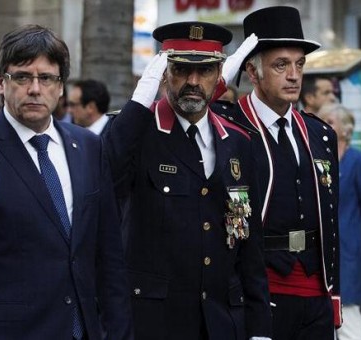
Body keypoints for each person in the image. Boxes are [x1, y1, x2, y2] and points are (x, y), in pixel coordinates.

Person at [0, 24, 132, 339]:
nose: (35, 88)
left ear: (61, 87)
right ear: (1, 83)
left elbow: (108, 255)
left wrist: (117, 331)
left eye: (47, 78)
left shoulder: (88, 147)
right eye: (22, 77)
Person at [105, 21, 272, 339]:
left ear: (219, 73)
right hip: (155, 323)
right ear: (164, 72)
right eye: (181, 70)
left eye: (206, 70)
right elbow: (106, 175)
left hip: (222, 322)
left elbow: (249, 245)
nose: (193, 82)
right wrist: (140, 102)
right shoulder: (138, 133)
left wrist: (260, 329)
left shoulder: (237, 141)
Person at [213, 6, 341, 340]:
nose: (294, 75)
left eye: (299, 64)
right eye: (281, 65)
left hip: (315, 294)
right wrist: (225, 73)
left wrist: (334, 297)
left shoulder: (319, 133)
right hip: (258, 292)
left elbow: (330, 219)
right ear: (252, 73)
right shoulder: (227, 125)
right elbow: (189, 104)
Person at [318, 103, 361, 340]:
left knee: (348, 308)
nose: (325, 126)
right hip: (321, 247)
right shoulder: (318, 157)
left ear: (345, 129)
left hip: (349, 245)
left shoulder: (358, 160)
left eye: (331, 121)